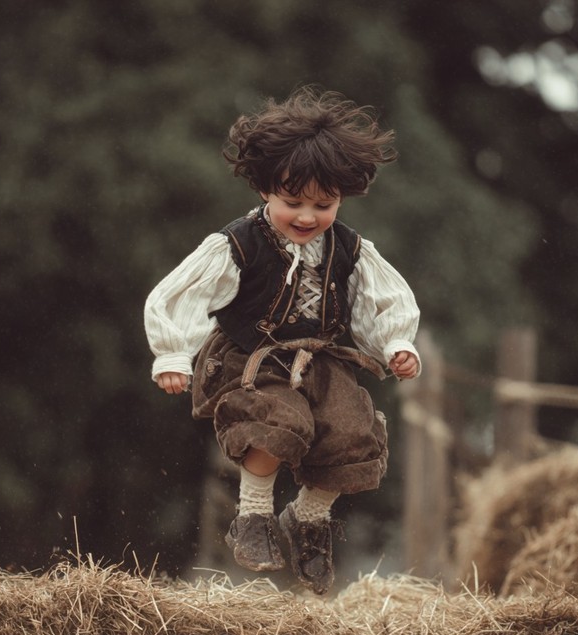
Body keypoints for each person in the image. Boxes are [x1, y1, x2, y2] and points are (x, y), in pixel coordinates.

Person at [144, 86, 420, 595]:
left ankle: (306, 520)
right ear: (265, 190)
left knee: (354, 435)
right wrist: (173, 354)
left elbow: (385, 302)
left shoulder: (351, 250)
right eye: (293, 202)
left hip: (322, 361)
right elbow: (180, 295)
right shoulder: (235, 246)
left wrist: (397, 344)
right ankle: (253, 516)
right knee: (280, 419)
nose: (308, 217)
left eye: (324, 204)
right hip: (249, 359)